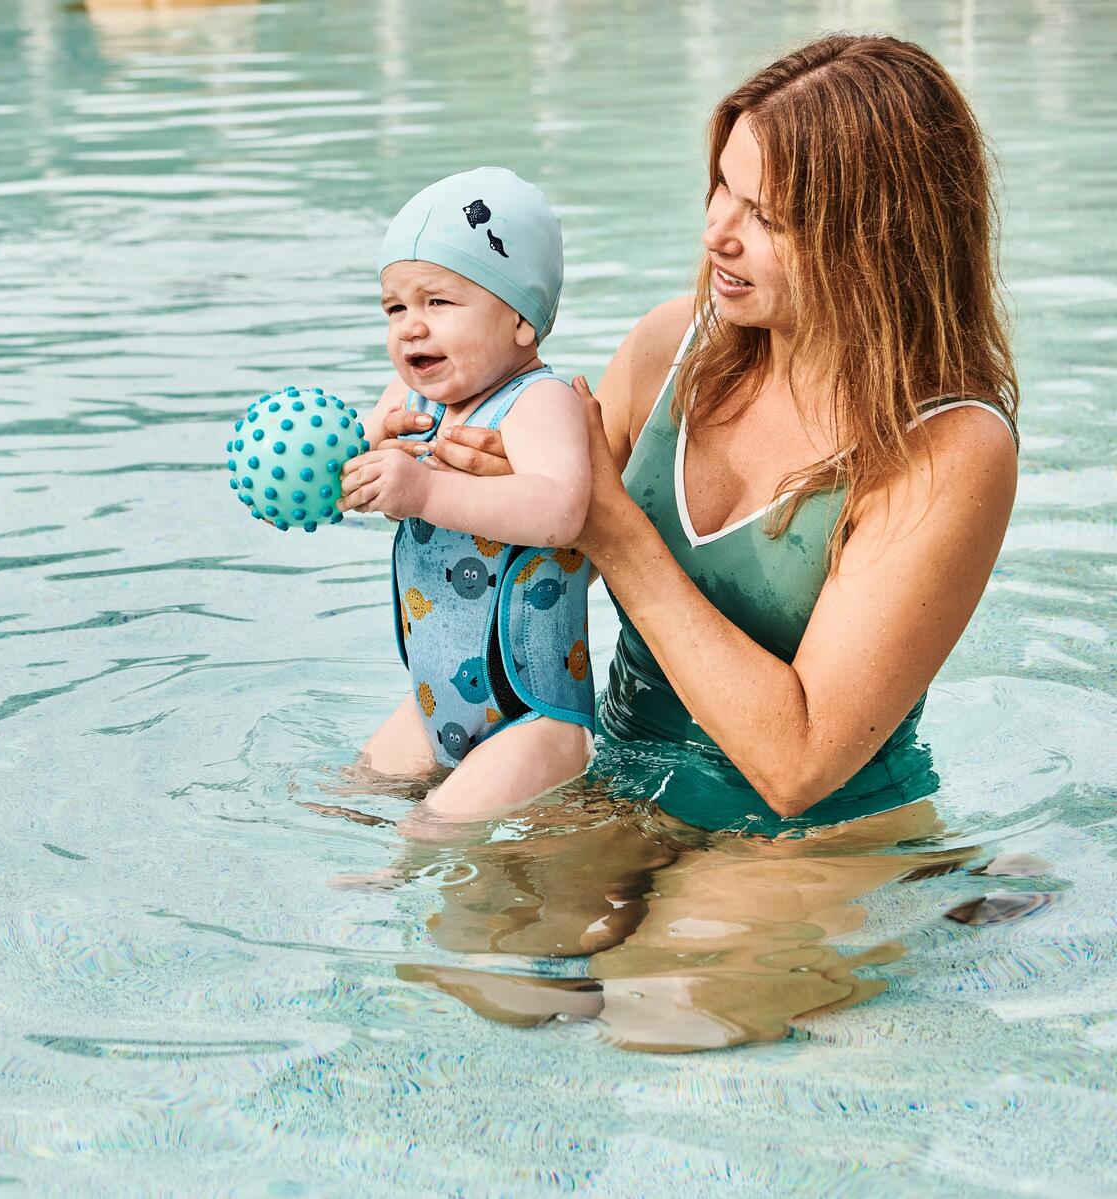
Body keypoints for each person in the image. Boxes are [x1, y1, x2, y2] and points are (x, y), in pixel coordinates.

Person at [364, 35, 1021, 1049]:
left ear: (878, 233)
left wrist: (618, 534)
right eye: (722, 185)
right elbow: (547, 555)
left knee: (661, 1017)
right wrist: (443, 471)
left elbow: (796, 763)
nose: (719, 230)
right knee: (477, 971)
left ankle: (933, 884)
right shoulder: (675, 347)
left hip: (813, 831)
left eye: (769, 216)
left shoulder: (950, 447)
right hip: (629, 780)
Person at [338, 167, 599, 831]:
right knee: (347, 800)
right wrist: (350, 460)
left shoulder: (540, 403)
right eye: (395, 308)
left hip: (533, 717)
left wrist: (424, 487)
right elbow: (350, 482)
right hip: (433, 703)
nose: (410, 327)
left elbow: (560, 509)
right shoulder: (409, 403)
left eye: (438, 303)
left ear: (519, 316)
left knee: (429, 832)